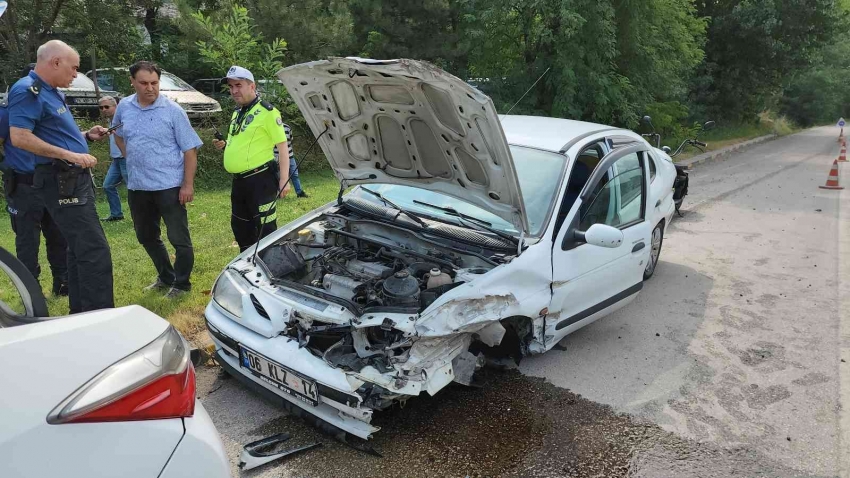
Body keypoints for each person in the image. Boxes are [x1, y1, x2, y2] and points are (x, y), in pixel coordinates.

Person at [8, 39, 114, 312]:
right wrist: (71, 156)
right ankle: (100, 319)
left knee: (79, 249)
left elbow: (54, 135)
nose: (76, 74)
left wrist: (85, 137)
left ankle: (82, 313)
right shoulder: (26, 91)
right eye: (74, 68)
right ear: (55, 62)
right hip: (60, 179)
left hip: (72, 178)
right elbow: (19, 138)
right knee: (94, 251)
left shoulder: (51, 91)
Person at [113, 61, 202, 298]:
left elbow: (190, 150)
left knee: (178, 238)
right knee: (146, 236)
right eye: (143, 83)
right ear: (132, 82)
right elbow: (118, 134)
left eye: (154, 83)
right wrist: (130, 156)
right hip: (138, 186)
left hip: (169, 186)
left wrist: (187, 184)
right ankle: (166, 276)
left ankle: (182, 285)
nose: (150, 88)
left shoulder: (173, 111)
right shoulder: (124, 107)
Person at [212, 66, 290, 252]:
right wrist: (225, 145)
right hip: (239, 182)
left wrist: (284, 179)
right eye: (230, 87)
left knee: (265, 230)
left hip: (260, 180)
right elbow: (239, 141)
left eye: (238, 85)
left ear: (252, 86)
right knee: (240, 227)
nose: (234, 91)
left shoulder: (268, 112)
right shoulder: (237, 113)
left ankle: (271, 265)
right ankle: (248, 264)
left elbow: (282, 146)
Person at [1, 99, 69, 296]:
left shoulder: (50, 107)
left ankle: (63, 282)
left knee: (58, 235)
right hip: (24, 184)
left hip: (52, 182)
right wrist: (8, 166)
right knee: (27, 240)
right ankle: (31, 289)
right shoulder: (7, 112)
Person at [98, 96, 127, 222]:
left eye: (107, 107)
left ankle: (144, 216)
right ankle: (116, 214)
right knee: (108, 185)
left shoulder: (122, 120)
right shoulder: (111, 122)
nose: (104, 110)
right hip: (116, 160)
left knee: (134, 189)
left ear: (116, 107)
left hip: (125, 159)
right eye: (101, 107)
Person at [277, 123, 308, 198]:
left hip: (290, 156)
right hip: (276, 157)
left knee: (295, 175)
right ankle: (279, 194)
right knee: (278, 176)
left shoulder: (287, 127)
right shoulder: (272, 127)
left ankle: (299, 192)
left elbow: (291, 139)